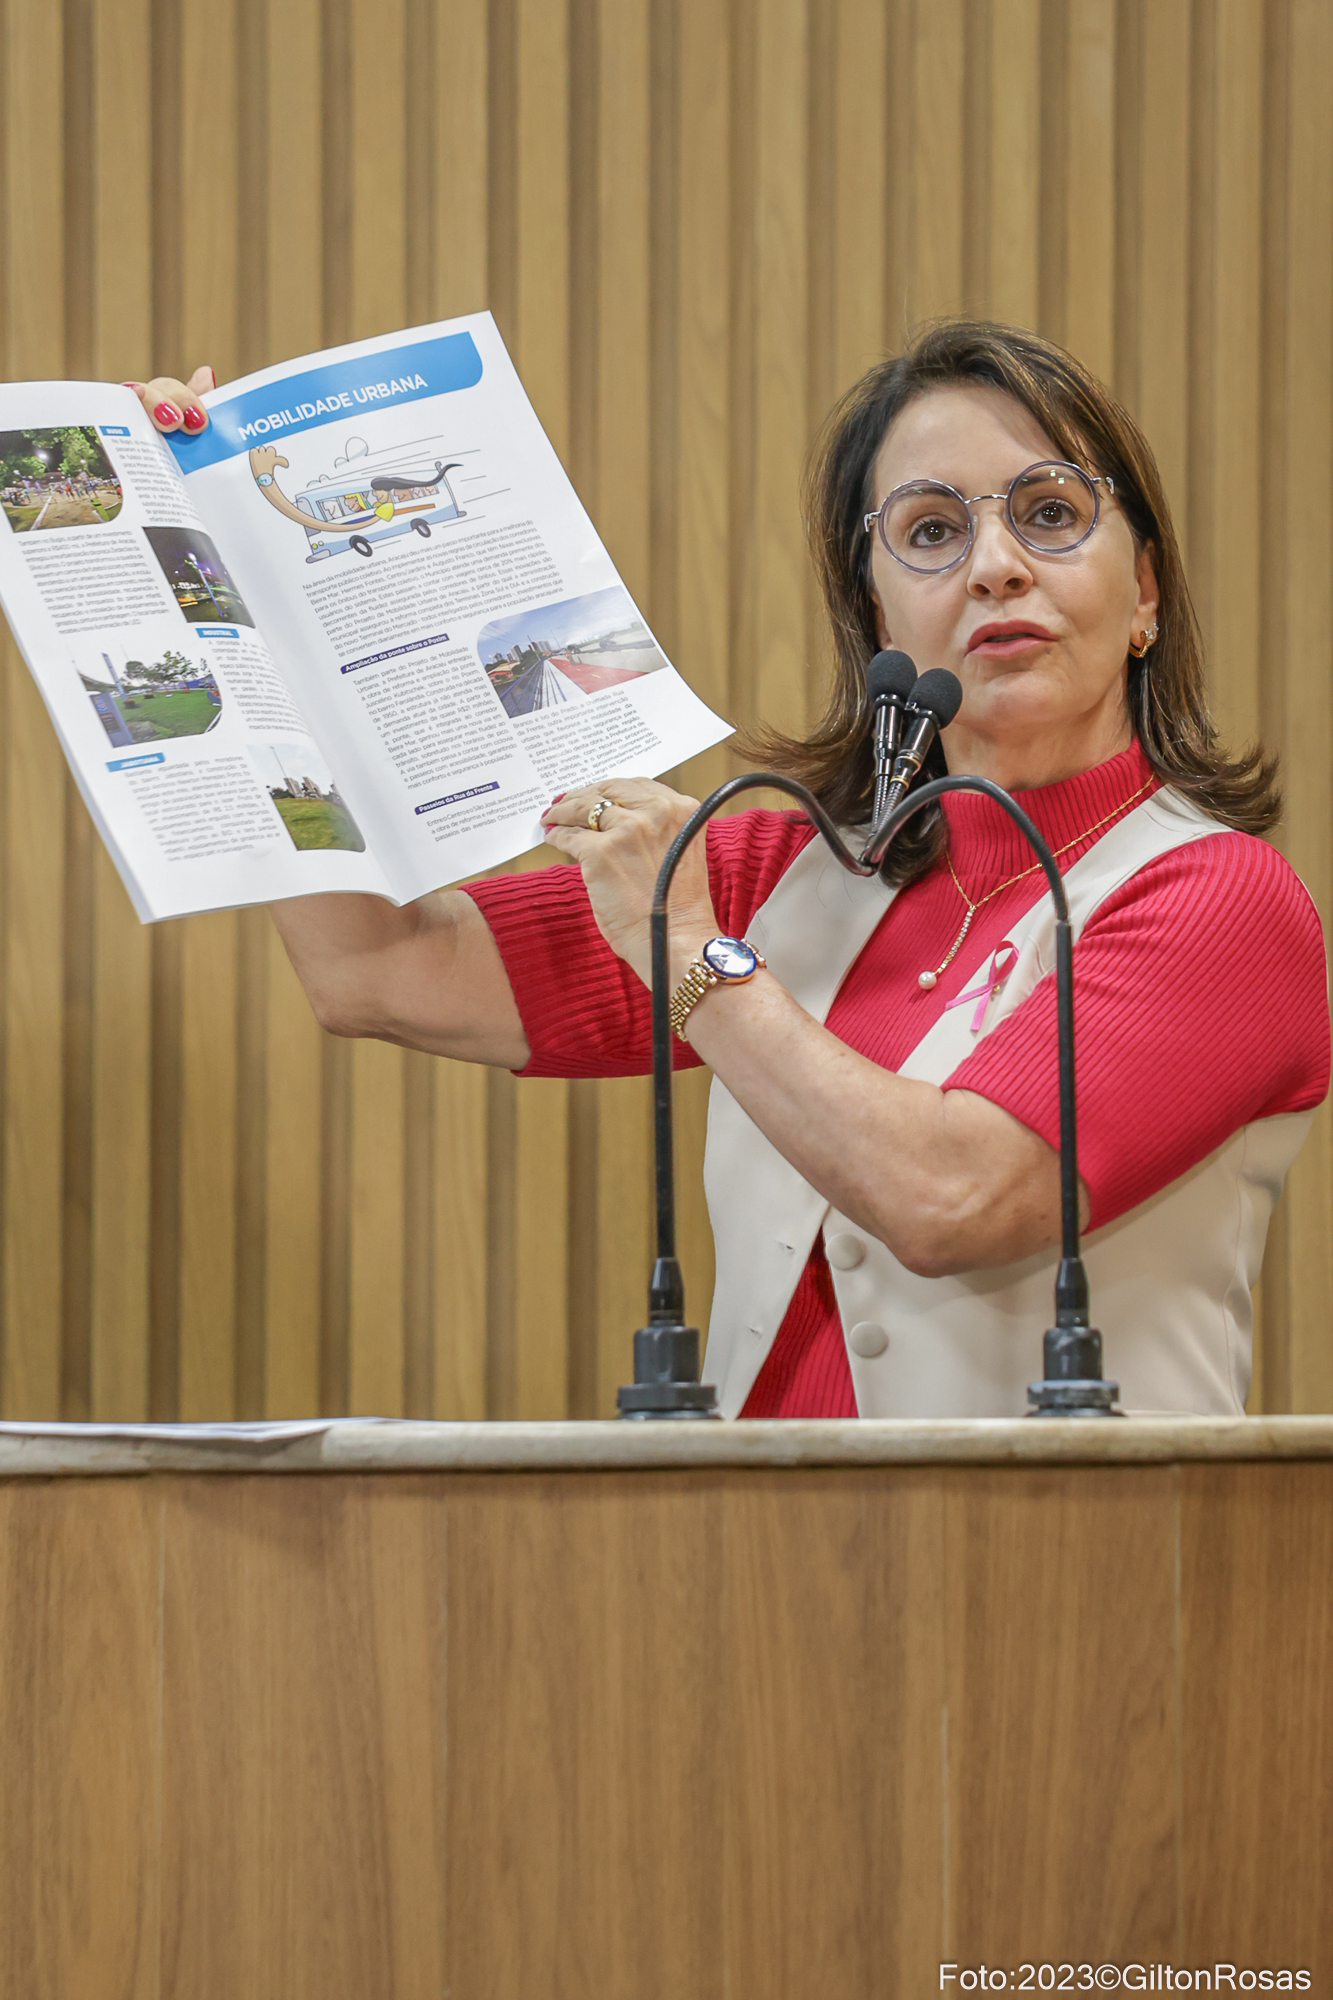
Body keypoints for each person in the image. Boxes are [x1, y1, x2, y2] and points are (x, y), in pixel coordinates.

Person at [133, 323, 1329, 1418]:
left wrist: (687, 951)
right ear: (877, 612)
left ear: (1144, 592)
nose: (995, 566)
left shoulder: (1222, 901)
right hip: (762, 1558)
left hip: (1070, 1570)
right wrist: (237, 608)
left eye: (1050, 513)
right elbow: (375, 968)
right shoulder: (777, 873)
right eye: (930, 531)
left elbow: (952, 1197)